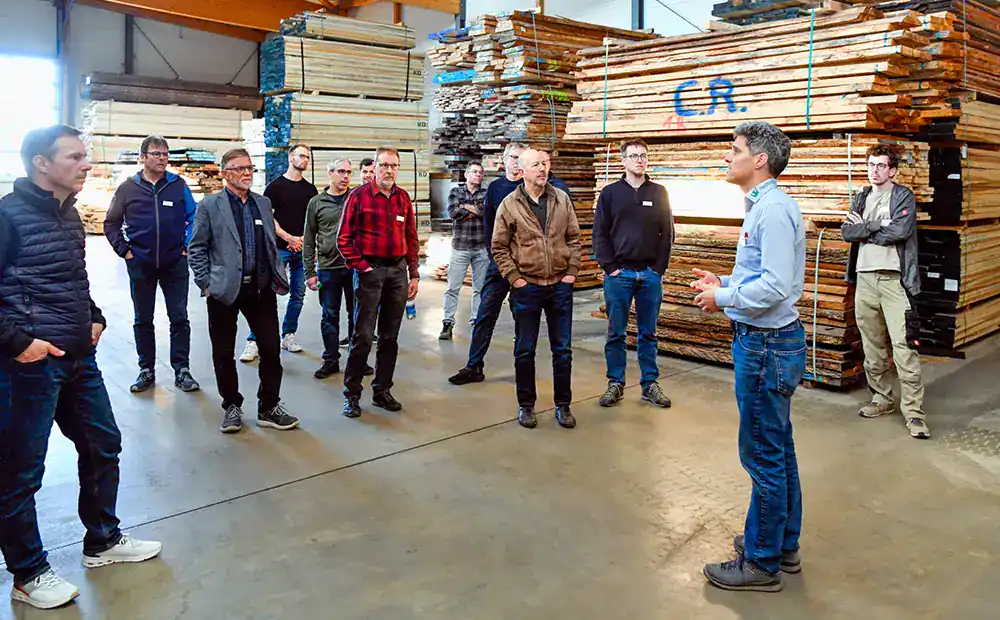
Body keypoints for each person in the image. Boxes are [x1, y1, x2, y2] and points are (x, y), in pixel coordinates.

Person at [0, 125, 161, 610]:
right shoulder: (7, 219)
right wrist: (16, 342)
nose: (86, 164)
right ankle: (28, 573)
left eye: (85, 156)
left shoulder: (69, 216)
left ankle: (103, 541)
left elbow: (72, 276)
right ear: (41, 165)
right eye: (74, 157)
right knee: (21, 471)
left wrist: (94, 316)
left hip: (78, 359)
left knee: (103, 443)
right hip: (29, 364)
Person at [691, 122, 806, 592]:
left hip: (766, 346)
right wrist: (727, 285)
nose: (726, 156)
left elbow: (777, 286)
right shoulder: (763, 205)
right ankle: (782, 544)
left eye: (733, 149)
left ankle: (761, 563)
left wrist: (723, 300)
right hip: (767, 342)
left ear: (759, 159)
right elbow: (764, 274)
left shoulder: (773, 210)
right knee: (778, 449)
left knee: (762, 453)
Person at [188, 148, 300, 434]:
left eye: (249, 168)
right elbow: (197, 247)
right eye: (239, 169)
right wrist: (206, 284)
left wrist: (276, 273)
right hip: (224, 291)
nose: (247, 173)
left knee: (271, 350)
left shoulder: (262, 203)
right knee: (223, 352)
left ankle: (269, 406)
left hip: (261, 290)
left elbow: (270, 242)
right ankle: (232, 405)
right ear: (225, 174)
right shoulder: (210, 206)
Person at [841, 144, 929, 439]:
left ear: (892, 170)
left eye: (880, 166)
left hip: (894, 281)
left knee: (903, 348)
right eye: (870, 165)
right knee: (872, 347)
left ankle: (915, 413)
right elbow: (847, 232)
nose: (874, 170)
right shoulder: (862, 196)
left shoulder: (903, 196)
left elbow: (900, 231)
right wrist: (877, 225)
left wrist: (865, 228)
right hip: (864, 280)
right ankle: (881, 399)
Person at [492, 148, 581, 430]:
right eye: (536, 165)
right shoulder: (509, 204)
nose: (543, 169)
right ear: (522, 171)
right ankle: (526, 405)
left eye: (545, 163)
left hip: (559, 287)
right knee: (525, 350)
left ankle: (563, 404)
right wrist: (515, 278)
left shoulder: (561, 199)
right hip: (526, 288)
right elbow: (498, 246)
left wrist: (571, 273)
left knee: (563, 350)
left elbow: (575, 238)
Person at [103, 135, 199, 394]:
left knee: (179, 317)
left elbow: (195, 217)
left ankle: (182, 370)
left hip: (174, 264)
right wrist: (125, 251)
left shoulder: (178, 186)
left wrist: (186, 247)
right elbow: (110, 223)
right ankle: (146, 370)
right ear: (143, 157)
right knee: (142, 319)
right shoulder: (127, 188)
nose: (162, 158)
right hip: (141, 265)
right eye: (156, 153)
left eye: (165, 154)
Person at [337, 146, 419, 418]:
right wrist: (363, 268)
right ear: (375, 166)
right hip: (370, 272)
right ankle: (352, 394)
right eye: (384, 165)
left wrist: (414, 273)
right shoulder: (358, 196)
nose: (388, 170)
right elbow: (343, 239)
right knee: (362, 336)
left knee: (389, 337)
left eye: (393, 166)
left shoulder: (403, 198)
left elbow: (412, 239)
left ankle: (382, 390)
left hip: (397, 272)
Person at [593, 138, 674, 409]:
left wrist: (659, 269)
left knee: (648, 333)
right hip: (620, 276)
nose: (640, 159)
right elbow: (599, 234)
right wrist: (610, 267)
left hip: (649, 276)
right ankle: (615, 383)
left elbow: (667, 233)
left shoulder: (659, 192)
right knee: (616, 332)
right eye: (634, 155)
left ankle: (650, 383)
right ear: (623, 161)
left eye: (643, 155)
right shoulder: (610, 193)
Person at [447, 141, 526, 385]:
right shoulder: (496, 187)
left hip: (525, 265)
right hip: (499, 262)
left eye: (521, 159)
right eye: (513, 157)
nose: (516, 163)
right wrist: (495, 256)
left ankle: (523, 367)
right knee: (484, 314)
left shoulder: (531, 187)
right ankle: (474, 366)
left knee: (523, 316)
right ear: (504, 159)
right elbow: (489, 224)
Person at [240, 144, 316, 362]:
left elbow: (312, 221)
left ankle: (288, 334)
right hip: (279, 250)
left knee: (298, 295)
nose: (304, 160)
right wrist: (287, 238)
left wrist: (302, 241)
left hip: (302, 250)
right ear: (291, 157)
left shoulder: (310, 190)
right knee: (266, 294)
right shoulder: (275, 187)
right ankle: (254, 340)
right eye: (301, 156)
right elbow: (267, 218)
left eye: (307, 157)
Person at [303, 158, 373, 379]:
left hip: (354, 268)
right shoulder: (316, 202)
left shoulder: (357, 199)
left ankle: (357, 360)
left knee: (357, 315)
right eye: (341, 171)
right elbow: (308, 238)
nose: (345, 176)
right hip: (327, 268)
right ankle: (331, 359)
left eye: (349, 172)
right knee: (329, 315)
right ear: (330, 173)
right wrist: (309, 272)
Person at [440, 161, 489, 341]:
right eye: (475, 172)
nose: (478, 175)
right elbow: (453, 212)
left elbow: (486, 212)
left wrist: (465, 208)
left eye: (480, 172)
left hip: (480, 248)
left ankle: (476, 321)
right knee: (453, 287)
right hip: (460, 247)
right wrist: (474, 209)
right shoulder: (455, 192)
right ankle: (447, 322)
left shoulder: (486, 193)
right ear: (466, 174)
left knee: (479, 288)